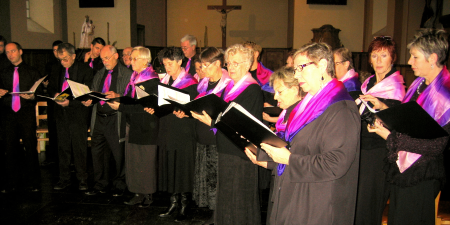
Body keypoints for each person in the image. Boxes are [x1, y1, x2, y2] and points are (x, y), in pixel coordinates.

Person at [246, 42, 361, 224]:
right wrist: (263, 154)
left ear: (322, 65)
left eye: (301, 68)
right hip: (297, 196)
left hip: (319, 204)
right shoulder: (307, 105)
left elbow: (335, 163)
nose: (296, 74)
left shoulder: (341, 108)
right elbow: (296, 146)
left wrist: (288, 159)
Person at [369, 29, 449, 225]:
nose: (410, 62)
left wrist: (389, 137)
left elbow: (436, 146)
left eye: (415, 57)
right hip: (403, 168)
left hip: (421, 175)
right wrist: (385, 108)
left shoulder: (445, 95)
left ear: (432, 58)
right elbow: (410, 120)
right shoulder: (420, 84)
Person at [192, 44, 263, 224]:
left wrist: (212, 122)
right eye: (229, 63)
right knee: (227, 196)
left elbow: (241, 124)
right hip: (225, 147)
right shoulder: (230, 86)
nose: (231, 67)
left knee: (238, 198)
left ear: (248, 65)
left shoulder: (251, 89)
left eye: (236, 63)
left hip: (240, 152)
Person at [354, 36, 406, 225]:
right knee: (358, 203)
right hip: (362, 149)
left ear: (393, 57)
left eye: (383, 55)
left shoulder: (396, 87)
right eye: (374, 56)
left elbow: (398, 122)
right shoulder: (368, 83)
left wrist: (381, 106)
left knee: (368, 206)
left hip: (379, 152)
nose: (378, 61)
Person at [107, 46, 160, 207]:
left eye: (135, 58)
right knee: (134, 161)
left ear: (145, 61)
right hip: (133, 124)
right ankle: (137, 192)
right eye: (131, 58)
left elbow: (144, 107)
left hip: (146, 127)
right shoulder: (135, 78)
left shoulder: (152, 81)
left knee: (146, 161)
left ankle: (148, 194)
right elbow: (133, 100)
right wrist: (120, 98)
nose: (131, 61)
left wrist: (120, 107)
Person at [151, 47, 198, 222]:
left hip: (183, 131)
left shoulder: (191, 82)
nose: (167, 67)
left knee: (182, 168)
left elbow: (194, 109)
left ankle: (185, 205)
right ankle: (172, 202)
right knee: (170, 166)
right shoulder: (165, 80)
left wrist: (185, 113)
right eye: (164, 64)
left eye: (170, 64)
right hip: (167, 129)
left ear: (180, 62)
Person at [82, 45, 132, 196]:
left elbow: (131, 97)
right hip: (99, 118)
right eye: (102, 59)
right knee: (97, 153)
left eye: (107, 58)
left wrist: (117, 95)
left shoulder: (127, 74)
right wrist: (89, 100)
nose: (104, 61)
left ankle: (119, 184)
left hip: (114, 119)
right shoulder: (100, 73)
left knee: (118, 154)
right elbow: (94, 91)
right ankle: (100, 183)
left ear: (116, 56)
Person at [191, 47, 232, 224]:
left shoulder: (228, 85)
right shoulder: (203, 84)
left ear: (218, 64)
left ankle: (218, 214)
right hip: (202, 135)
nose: (202, 69)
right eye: (201, 65)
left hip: (217, 137)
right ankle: (211, 211)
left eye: (206, 65)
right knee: (206, 176)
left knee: (216, 177)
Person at [47, 43, 93, 191]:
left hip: (77, 114)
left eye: (65, 59)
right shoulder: (56, 69)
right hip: (61, 114)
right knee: (63, 147)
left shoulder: (85, 70)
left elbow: (87, 94)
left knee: (79, 148)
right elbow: (51, 88)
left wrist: (70, 103)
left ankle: (82, 179)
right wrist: (54, 95)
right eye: (60, 59)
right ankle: (64, 178)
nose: (63, 62)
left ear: (73, 56)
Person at [0, 42, 42, 193]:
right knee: (9, 148)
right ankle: (11, 182)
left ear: (20, 51)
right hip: (8, 113)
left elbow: (39, 92)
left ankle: (34, 182)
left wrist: (31, 97)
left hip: (26, 113)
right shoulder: (3, 72)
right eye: (7, 52)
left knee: (30, 147)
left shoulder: (32, 71)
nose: (10, 54)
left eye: (13, 51)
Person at [41, 40, 63, 167]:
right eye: (54, 50)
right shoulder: (50, 65)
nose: (56, 53)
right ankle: (53, 156)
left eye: (58, 50)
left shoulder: (66, 65)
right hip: (53, 101)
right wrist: (46, 85)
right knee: (53, 129)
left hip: (65, 101)